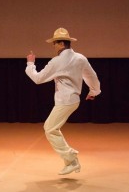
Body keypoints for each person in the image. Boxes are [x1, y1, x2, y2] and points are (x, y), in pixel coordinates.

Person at [25, 28, 101, 175]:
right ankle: (70, 160)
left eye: (54, 43)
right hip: (73, 100)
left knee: (50, 129)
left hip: (65, 100)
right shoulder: (80, 58)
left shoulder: (57, 61)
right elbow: (91, 76)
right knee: (52, 128)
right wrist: (93, 91)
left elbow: (38, 79)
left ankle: (71, 159)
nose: (53, 46)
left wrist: (30, 64)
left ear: (60, 43)